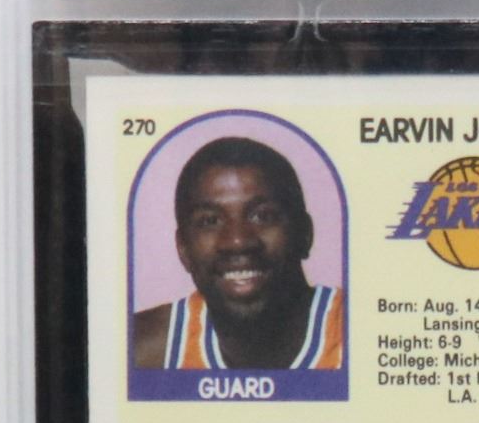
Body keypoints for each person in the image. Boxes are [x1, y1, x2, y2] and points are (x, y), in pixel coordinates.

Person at [133, 136, 344, 370]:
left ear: (305, 234)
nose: (238, 241)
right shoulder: (141, 352)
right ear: (183, 249)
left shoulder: (361, 334)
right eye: (210, 221)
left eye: (263, 216)